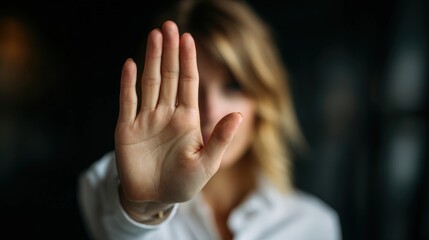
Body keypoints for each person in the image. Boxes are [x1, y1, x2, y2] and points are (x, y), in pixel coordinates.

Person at [78, 0, 341, 239]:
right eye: (188, 88)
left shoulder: (313, 226)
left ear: (263, 101)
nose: (211, 110)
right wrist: (145, 206)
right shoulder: (111, 188)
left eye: (233, 86)